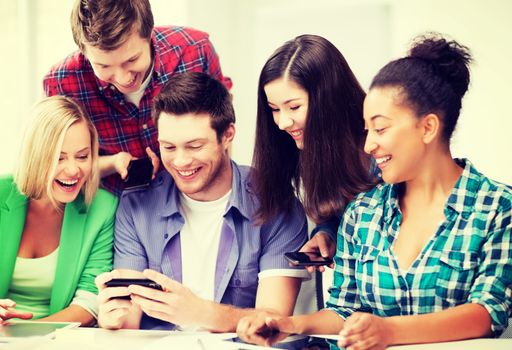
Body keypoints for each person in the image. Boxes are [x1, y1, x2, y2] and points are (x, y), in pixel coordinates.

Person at [237, 34, 512, 349]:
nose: (368, 145)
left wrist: (389, 331)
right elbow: (343, 310)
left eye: (380, 129)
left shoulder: (498, 207)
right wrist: (286, 324)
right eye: (367, 130)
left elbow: (488, 312)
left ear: (428, 127)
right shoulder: (362, 212)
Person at [95, 72, 309, 332]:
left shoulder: (276, 204)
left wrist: (199, 312)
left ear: (228, 135)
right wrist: (114, 318)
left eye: (194, 146)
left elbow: (274, 322)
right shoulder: (136, 207)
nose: (181, 162)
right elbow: (129, 321)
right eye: (169, 148)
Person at [43, 0, 231, 195]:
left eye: (132, 60)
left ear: (149, 34)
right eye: (104, 66)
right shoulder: (61, 83)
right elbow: (52, 165)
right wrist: (113, 162)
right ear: (84, 50)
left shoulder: (196, 51)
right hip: (113, 206)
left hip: (195, 198)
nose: (124, 78)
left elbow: (221, 128)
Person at [251, 34, 375, 270]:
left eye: (294, 107)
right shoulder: (308, 149)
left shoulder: (380, 153)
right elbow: (337, 217)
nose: (282, 123)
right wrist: (327, 234)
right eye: (274, 109)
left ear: (328, 99)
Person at [0, 96, 118, 325]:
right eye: (59, 158)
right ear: (36, 156)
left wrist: (27, 333)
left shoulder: (103, 208)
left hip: (59, 339)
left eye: (82, 156)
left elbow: (89, 301)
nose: (73, 169)